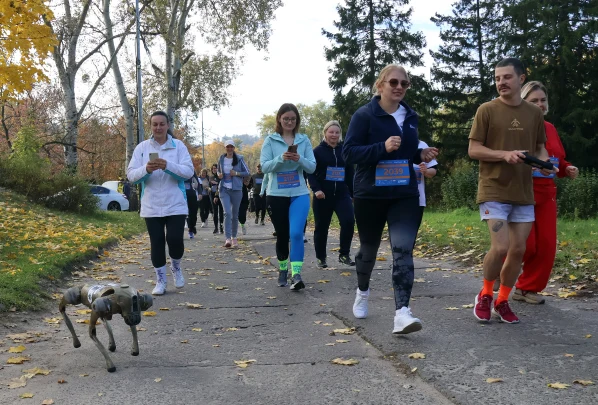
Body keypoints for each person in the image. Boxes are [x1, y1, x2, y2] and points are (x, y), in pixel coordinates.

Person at [343, 64, 438, 334]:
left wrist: (421, 156)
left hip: (403, 193)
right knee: (369, 250)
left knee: (403, 249)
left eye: (404, 84)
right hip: (370, 194)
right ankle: (362, 291)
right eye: (393, 82)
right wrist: (381, 148)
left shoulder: (411, 117)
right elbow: (349, 153)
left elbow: (408, 153)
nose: (399, 87)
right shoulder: (364, 115)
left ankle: (402, 313)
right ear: (380, 85)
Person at [468, 58, 556, 324]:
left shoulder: (534, 113)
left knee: (518, 250)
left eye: (506, 77)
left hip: (523, 192)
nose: (501, 82)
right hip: (493, 188)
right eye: (497, 78)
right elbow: (474, 150)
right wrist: (504, 155)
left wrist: (543, 164)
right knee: (502, 247)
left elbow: (540, 147)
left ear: (521, 78)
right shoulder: (486, 110)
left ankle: (503, 299)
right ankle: (485, 293)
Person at [512, 81, 578, 304]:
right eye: (534, 101)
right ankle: (501, 269)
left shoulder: (550, 128)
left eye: (543, 100)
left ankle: (526, 289)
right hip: (522, 193)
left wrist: (567, 168)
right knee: (526, 246)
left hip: (547, 194)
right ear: (523, 102)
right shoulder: (516, 126)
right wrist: (527, 166)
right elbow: (507, 159)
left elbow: (557, 159)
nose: (540, 105)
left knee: (547, 246)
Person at [127, 111, 194, 295]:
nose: (158, 128)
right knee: (156, 242)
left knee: (174, 240)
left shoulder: (178, 146)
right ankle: (161, 280)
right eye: (155, 124)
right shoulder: (142, 148)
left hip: (175, 204)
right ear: (150, 126)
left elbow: (188, 171)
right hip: (152, 205)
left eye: (162, 124)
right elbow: (131, 175)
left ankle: (176, 267)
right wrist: (146, 169)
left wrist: (168, 166)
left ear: (167, 125)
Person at [260, 103, 316, 290]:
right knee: (283, 235)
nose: (289, 122)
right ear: (279, 119)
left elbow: (312, 167)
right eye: (286, 119)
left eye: (293, 119)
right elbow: (265, 166)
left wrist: (299, 158)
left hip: (299, 193)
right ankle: (283, 269)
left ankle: (296, 274)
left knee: (296, 233)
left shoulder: (303, 140)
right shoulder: (270, 140)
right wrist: (280, 159)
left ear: (297, 120)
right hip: (276, 194)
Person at [308, 120, 355, 268]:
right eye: (331, 132)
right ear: (325, 133)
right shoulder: (317, 151)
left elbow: (350, 173)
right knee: (322, 227)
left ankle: (344, 254)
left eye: (337, 132)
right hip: (323, 195)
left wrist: (353, 193)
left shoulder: (344, 150)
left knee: (348, 221)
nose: (334, 135)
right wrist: (316, 190)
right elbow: (310, 173)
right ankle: (321, 258)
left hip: (342, 194)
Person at [217, 140, 250, 247]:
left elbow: (247, 172)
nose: (229, 149)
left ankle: (234, 237)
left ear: (234, 148)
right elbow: (217, 171)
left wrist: (236, 173)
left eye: (231, 147)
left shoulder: (239, 159)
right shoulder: (221, 158)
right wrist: (219, 175)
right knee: (227, 213)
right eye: (228, 147)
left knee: (235, 215)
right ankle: (227, 238)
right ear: (225, 148)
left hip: (236, 190)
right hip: (224, 189)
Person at [414, 140, 438, 231]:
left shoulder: (422, 145)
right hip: (395, 198)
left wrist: (426, 171)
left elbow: (433, 171)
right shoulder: (393, 143)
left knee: (412, 232)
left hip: (417, 199)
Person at [184, 171, 201, 239]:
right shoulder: (178, 169)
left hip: (192, 194)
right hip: (181, 195)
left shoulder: (191, 171)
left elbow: (198, 183)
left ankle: (192, 227)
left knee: (193, 213)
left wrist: (200, 193)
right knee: (182, 213)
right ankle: (187, 230)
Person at [209, 163, 224, 234]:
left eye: (215, 168)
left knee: (221, 211)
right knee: (215, 212)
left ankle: (221, 227)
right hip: (212, 195)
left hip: (220, 194)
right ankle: (216, 228)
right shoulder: (211, 177)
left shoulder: (220, 177)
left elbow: (219, 186)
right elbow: (210, 185)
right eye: (213, 168)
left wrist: (216, 196)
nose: (214, 169)